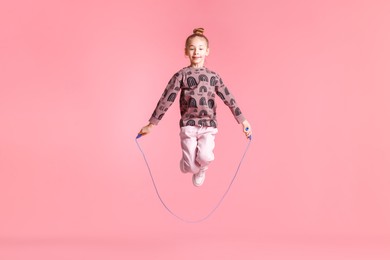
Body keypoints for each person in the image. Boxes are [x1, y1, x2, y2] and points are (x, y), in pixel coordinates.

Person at [138, 28, 252, 187]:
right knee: (189, 167)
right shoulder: (181, 75)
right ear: (186, 52)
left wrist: (243, 121)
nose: (196, 52)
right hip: (188, 125)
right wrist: (152, 124)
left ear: (207, 51)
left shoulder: (214, 77)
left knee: (205, 157)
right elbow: (166, 99)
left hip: (208, 125)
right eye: (192, 48)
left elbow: (228, 97)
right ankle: (187, 164)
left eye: (200, 48)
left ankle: (202, 169)